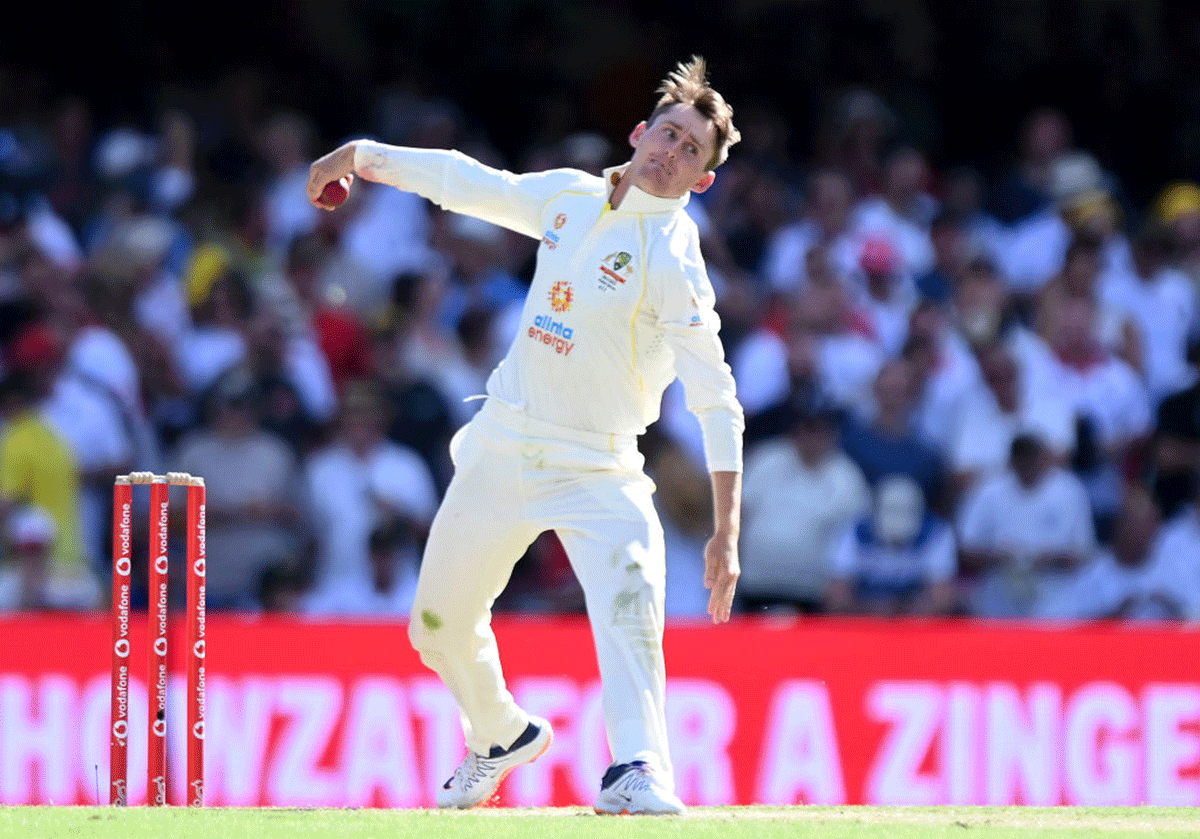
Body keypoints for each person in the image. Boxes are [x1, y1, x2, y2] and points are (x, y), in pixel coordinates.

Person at [307, 56, 744, 815]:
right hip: (504, 442)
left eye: (691, 152)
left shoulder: (675, 257)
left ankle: (638, 765)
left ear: (701, 179)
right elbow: (467, 182)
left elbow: (716, 396)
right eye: (668, 134)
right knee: (435, 627)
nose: (672, 153)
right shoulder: (569, 197)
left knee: (631, 597)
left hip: (598, 462)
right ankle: (499, 731)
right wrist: (360, 155)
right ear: (639, 133)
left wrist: (726, 528)